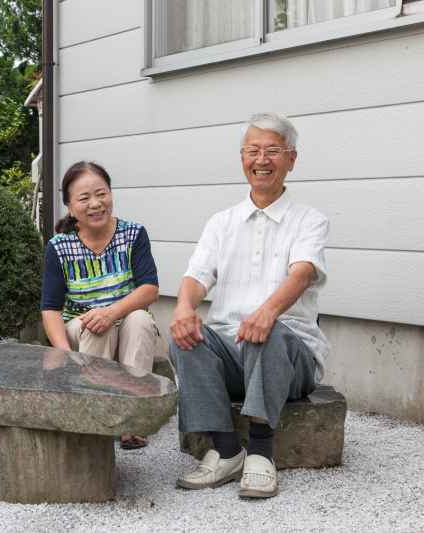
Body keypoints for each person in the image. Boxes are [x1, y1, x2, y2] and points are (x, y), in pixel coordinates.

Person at [170, 112, 329, 498]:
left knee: (268, 329)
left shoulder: (310, 220)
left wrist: (268, 311)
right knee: (184, 336)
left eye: (273, 151)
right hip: (231, 354)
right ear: (242, 158)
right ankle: (226, 451)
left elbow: (302, 272)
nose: (262, 160)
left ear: (291, 160)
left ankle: (261, 450)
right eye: (253, 151)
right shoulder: (221, 223)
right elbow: (196, 277)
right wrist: (183, 309)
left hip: (291, 360)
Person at [40, 161, 160, 449]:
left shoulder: (133, 234)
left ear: (110, 194)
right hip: (80, 332)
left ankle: (133, 420)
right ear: (70, 206)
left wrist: (112, 312)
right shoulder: (59, 247)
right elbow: (50, 308)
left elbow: (149, 289)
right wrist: (65, 355)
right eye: (84, 198)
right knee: (94, 326)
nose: (95, 203)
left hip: (124, 324)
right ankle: (93, 419)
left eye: (101, 194)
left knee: (140, 319)